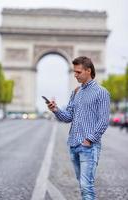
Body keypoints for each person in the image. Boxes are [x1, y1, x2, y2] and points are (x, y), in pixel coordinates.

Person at [47, 56, 110, 200]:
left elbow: (104, 120)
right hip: (74, 144)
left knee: (86, 186)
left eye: (78, 72)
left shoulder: (102, 92)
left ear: (88, 71)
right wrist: (55, 109)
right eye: (74, 72)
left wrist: (89, 140)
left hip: (88, 146)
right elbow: (68, 117)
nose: (75, 75)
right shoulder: (75, 92)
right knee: (82, 185)